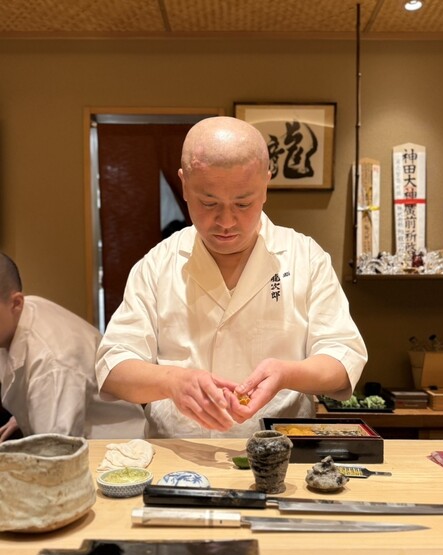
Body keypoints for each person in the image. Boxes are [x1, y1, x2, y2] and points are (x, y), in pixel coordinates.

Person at [96, 116, 367, 438]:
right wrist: (171, 381)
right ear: (184, 184)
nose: (226, 221)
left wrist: (286, 374)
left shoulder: (305, 257)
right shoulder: (158, 264)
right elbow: (114, 367)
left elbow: (342, 358)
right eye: (208, 202)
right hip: (179, 451)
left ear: (266, 184)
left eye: (243, 203)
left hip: (280, 447)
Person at [0, 253, 146, 442]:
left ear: (16, 303)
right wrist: (23, 415)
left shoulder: (52, 360)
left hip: (112, 446)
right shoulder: (20, 314)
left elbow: (55, 448)